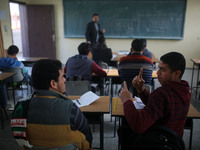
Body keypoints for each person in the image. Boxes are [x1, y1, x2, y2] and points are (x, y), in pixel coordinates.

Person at [11, 59, 92, 149]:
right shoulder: (70, 107)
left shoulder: (20, 107)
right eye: (62, 77)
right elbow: (85, 128)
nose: (65, 80)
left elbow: (17, 136)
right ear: (53, 83)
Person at [119, 52, 191, 149]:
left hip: (156, 142)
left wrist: (127, 101)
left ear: (176, 74)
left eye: (163, 70)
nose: (157, 73)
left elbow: (138, 125)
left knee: (124, 128)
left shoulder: (161, 93)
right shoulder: (185, 90)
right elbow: (159, 105)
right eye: (158, 68)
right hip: (174, 142)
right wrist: (141, 90)